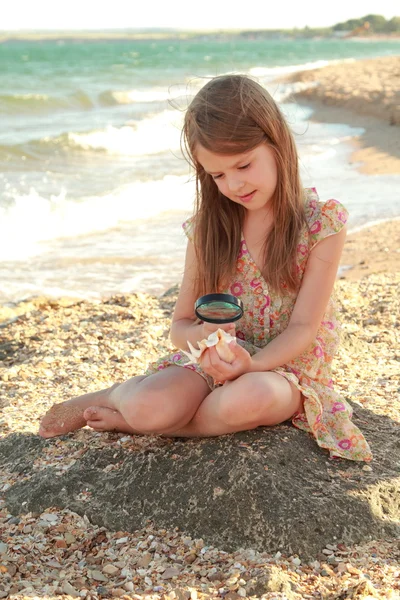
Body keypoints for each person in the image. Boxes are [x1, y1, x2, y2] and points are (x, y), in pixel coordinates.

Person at [39, 74, 372, 462]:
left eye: (243, 165)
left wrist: (253, 363)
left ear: (277, 143)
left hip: (282, 370)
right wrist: (204, 336)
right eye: (217, 175)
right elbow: (180, 327)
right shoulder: (208, 230)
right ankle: (117, 397)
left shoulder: (321, 224)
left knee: (252, 397)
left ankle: (148, 424)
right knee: (150, 404)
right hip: (213, 364)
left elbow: (303, 329)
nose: (233, 184)